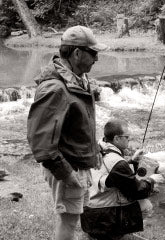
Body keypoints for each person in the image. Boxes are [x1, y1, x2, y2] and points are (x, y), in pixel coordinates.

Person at [27, 25, 108, 240]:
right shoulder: (55, 88)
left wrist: (94, 149)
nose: (97, 59)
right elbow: (41, 144)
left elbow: (77, 125)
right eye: (94, 53)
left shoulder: (76, 79)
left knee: (73, 218)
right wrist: (67, 174)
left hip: (78, 164)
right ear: (77, 53)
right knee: (68, 222)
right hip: (68, 167)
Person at [81, 119, 164, 240]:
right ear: (116, 139)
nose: (129, 140)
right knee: (146, 205)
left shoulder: (99, 149)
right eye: (127, 137)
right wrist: (152, 180)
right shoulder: (118, 163)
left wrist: (132, 161)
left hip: (88, 213)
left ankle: (97, 235)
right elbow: (137, 192)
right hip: (102, 219)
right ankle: (116, 235)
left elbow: (114, 175)